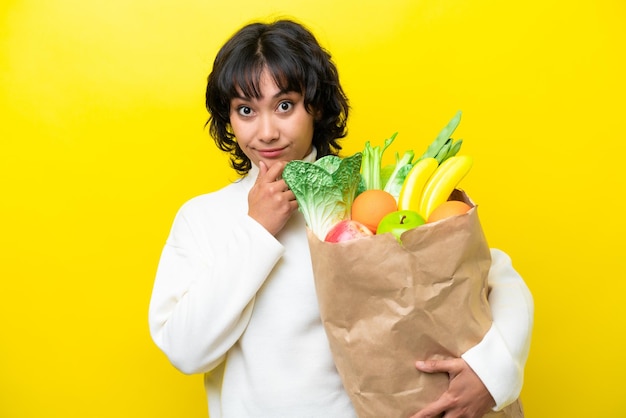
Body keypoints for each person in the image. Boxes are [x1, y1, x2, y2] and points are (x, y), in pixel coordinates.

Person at [148, 18, 534, 418]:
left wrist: (493, 373)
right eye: (246, 110)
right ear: (228, 118)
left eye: (285, 106)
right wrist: (257, 229)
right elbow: (185, 351)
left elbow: (492, 276)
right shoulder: (204, 218)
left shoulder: (366, 192)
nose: (266, 132)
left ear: (315, 105)